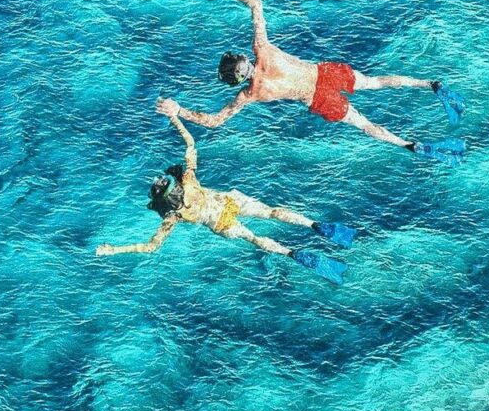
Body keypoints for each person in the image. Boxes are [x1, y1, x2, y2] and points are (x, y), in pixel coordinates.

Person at [157, 0, 467, 165]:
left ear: (235, 80)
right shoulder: (261, 49)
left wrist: (178, 110)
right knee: (375, 82)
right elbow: (256, 3)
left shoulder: (249, 95)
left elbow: (213, 121)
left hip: (317, 99)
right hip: (324, 74)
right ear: (244, 61)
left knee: (364, 125)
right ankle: (430, 85)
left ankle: (409, 145)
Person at [95, 113, 355, 284]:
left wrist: (113, 250)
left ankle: (293, 254)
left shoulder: (173, 216)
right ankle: (315, 225)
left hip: (221, 223)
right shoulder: (189, 181)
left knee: (256, 238)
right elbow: (190, 143)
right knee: (272, 212)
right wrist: (175, 117)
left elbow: (151, 247)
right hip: (229, 202)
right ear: (172, 186)